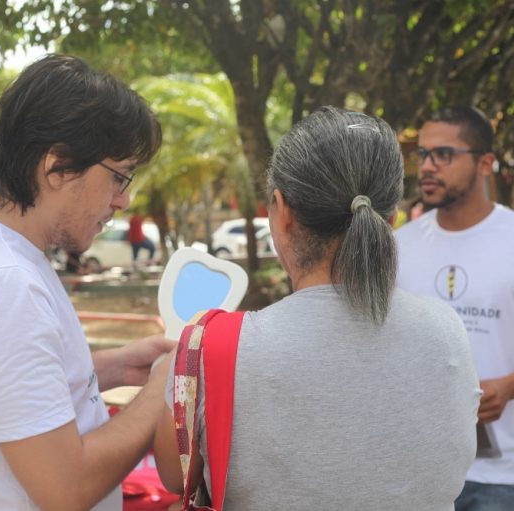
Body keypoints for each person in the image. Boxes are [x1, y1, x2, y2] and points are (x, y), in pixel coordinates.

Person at [153, 106, 481, 510]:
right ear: (390, 217)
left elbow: (175, 474)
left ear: (282, 210)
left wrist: (167, 370)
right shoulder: (446, 329)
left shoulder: (211, 347)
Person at [0, 54, 175, 510]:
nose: (123, 200)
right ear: (58, 166)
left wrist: (111, 368)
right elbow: (66, 488)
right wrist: (158, 392)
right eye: (119, 176)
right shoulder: (1, 281)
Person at [395, 106, 514, 511]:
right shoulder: (399, 247)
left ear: (485, 163)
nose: (427, 166)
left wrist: (510, 387)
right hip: (415, 469)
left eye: (443, 154)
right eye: (422, 155)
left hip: (502, 477)